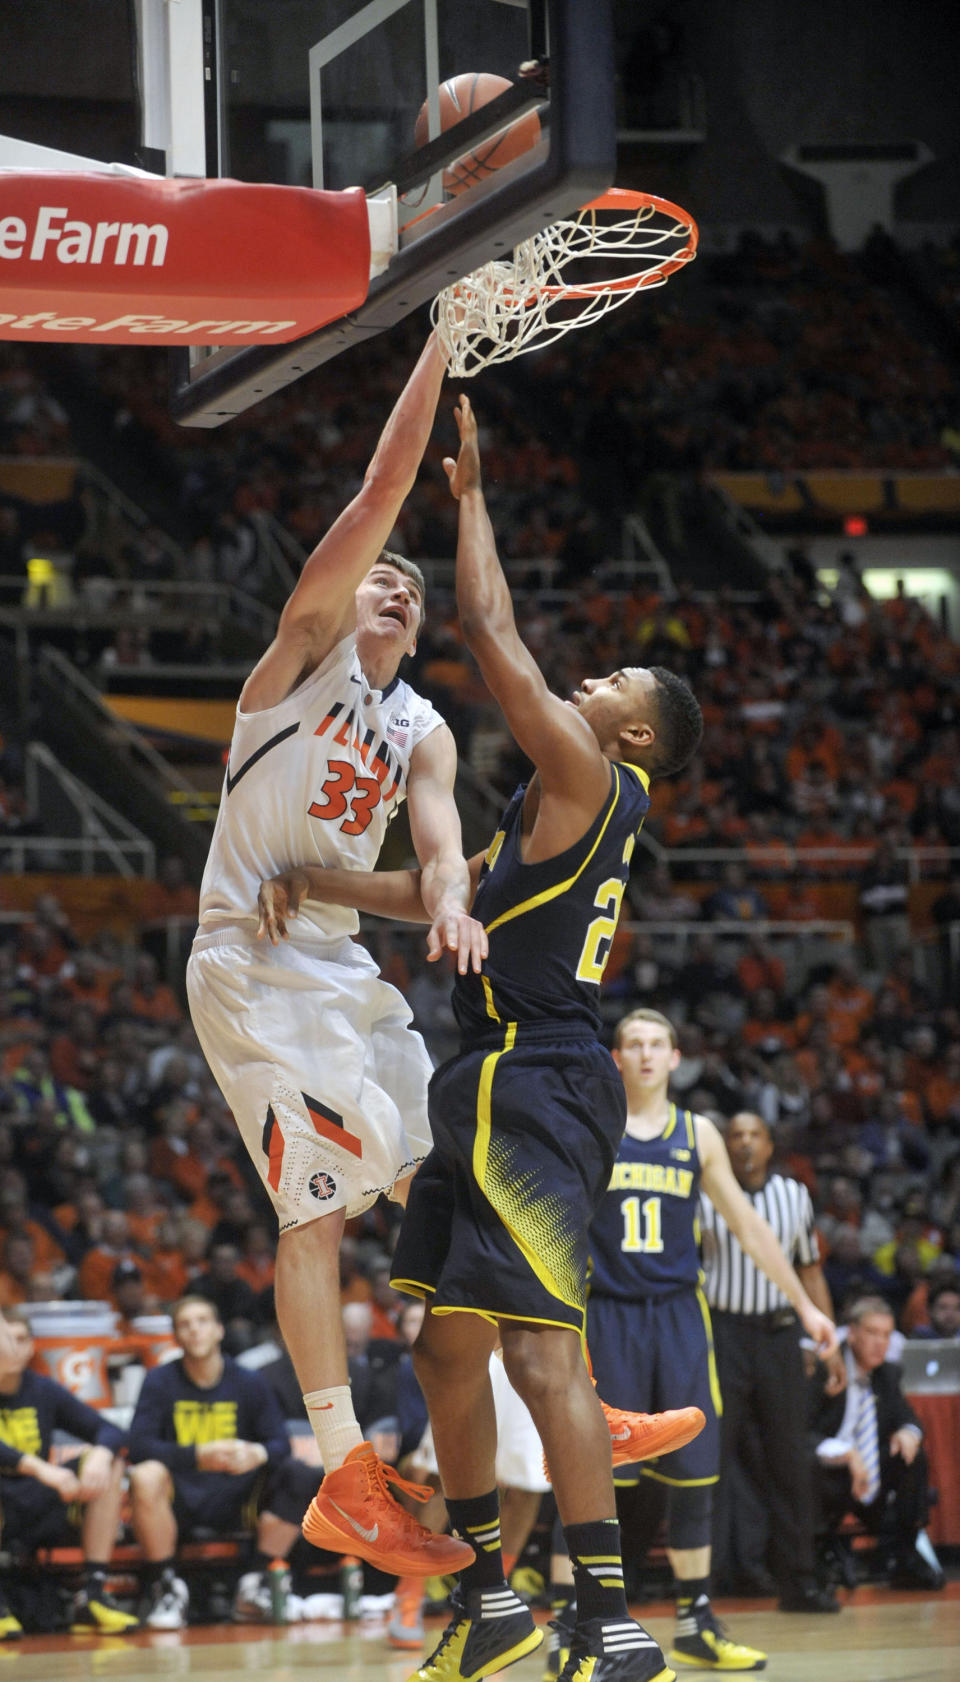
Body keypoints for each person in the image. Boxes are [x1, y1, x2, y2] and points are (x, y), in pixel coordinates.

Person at [259, 393, 707, 1682]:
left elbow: (492, 628)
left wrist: (469, 495)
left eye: (610, 682)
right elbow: (433, 895)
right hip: (485, 1075)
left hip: (544, 1077)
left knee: (536, 1349)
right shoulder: (543, 814)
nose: (589, 677)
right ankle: (493, 1604)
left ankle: (610, 1620)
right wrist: (324, 878)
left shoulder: (592, 776)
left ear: (630, 736)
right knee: (445, 1344)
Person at [185, 335, 483, 1580]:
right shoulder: (294, 666)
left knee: (448, 1178)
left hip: (343, 966)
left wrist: (453, 903)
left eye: (414, 589)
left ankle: (539, 1379)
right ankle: (339, 1474)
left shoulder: (424, 727)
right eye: (381, 580)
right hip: (249, 965)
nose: (397, 587)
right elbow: (378, 492)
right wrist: (439, 344)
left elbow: (436, 861)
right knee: (314, 1212)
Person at [564, 1011, 838, 1677]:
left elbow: (747, 1226)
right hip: (608, 1315)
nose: (648, 1054)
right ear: (617, 1056)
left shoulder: (699, 1134)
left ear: (677, 1057)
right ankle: (580, 1623)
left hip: (682, 1316)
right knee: (594, 1473)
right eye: (635, 1044)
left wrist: (804, 1304)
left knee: (695, 1473)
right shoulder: (593, 1125)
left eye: (658, 1044)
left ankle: (695, 1620)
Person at [699, 1111, 841, 1611]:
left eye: (753, 1135)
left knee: (790, 1463)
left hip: (780, 1336)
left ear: (769, 1145)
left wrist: (829, 1339)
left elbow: (811, 1271)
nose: (743, 1144)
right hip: (722, 1334)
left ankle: (799, 1582)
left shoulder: (793, 1196)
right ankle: (700, 1588)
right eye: (735, 1135)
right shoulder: (702, 1195)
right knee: (708, 1463)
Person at [127, 1294, 321, 1628]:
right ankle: (166, 1587)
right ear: (175, 1336)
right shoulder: (160, 1381)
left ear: (218, 1330)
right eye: (185, 1325)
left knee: (300, 1474)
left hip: (238, 1494)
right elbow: (138, 1446)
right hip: (180, 1497)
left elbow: (280, 1444)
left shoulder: (249, 1381)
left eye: (202, 1322)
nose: (194, 1331)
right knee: (145, 1475)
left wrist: (254, 1453)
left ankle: (257, 1582)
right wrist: (197, 1456)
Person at [0, 1307, 138, 1636]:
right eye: (6, 1340)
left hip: (37, 1501)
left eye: (20, 1340)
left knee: (111, 1461)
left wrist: (101, 1454)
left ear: (32, 1347)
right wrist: (40, 1468)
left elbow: (110, 1430)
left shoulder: (42, 1390)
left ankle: (91, 1595)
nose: (12, 1348)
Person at [809, 1295, 944, 1591]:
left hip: (871, 1476)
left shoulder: (887, 1374)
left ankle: (904, 1553)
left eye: (886, 1335)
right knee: (810, 1466)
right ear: (852, 1332)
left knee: (912, 1455)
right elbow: (801, 1434)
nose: (879, 1343)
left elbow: (909, 1418)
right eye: (872, 1333)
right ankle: (816, 1558)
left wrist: (908, 1431)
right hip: (829, 1475)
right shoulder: (825, 1369)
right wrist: (845, 1453)